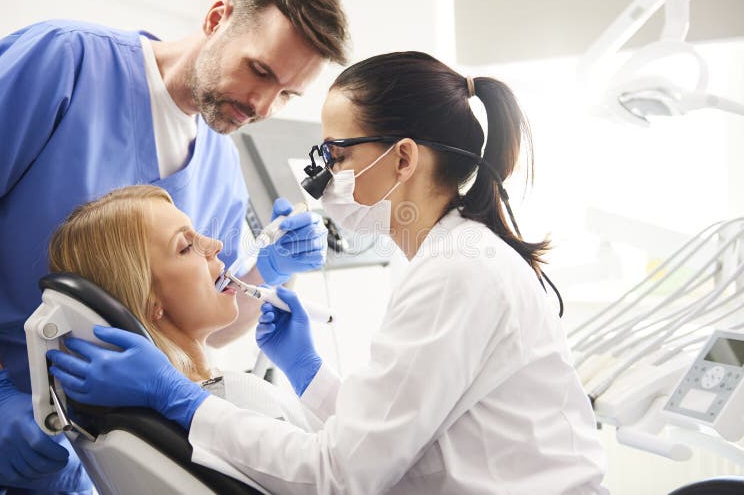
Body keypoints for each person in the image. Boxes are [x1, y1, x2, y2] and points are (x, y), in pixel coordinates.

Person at [49, 51, 608, 494]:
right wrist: (307, 371)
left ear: (404, 160)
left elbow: (341, 474)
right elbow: (384, 439)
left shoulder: (457, 273)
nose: (321, 175)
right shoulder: (458, 260)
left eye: (336, 154)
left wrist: (178, 396)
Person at [0, 0, 347, 492]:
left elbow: (199, 322)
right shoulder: (66, 63)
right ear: (217, 17)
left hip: (81, 462)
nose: (262, 106)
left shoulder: (219, 164)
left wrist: (268, 271)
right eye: (261, 71)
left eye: (288, 94)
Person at [47, 185, 318, 431]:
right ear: (150, 303)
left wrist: (306, 373)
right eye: (186, 247)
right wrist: (307, 373)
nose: (216, 245)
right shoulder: (232, 406)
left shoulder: (185, 412)